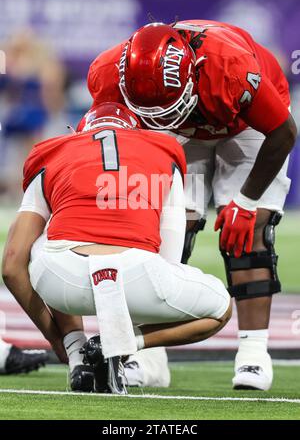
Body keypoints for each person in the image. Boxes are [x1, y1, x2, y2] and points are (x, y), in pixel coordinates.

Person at [80, 20, 297, 390]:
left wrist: (245, 201)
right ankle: (149, 357)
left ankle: (253, 354)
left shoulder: (231, 67)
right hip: (178, 133)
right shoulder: (106, 74)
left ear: (193, 74)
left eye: (169, 106)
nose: (165, 115)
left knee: (248, 231)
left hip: (246, 126)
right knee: (163, 229)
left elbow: (283, 132)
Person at [2, 102, 231, 394]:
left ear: (80, 132)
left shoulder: (53, 150)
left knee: (48, 238)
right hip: (137, 276)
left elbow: (11, 266)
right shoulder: (164, 150)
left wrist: (58, 342)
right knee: (221, 308)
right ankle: (122, 347)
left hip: (63, 280)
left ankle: (77, 354)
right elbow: (169, 257)